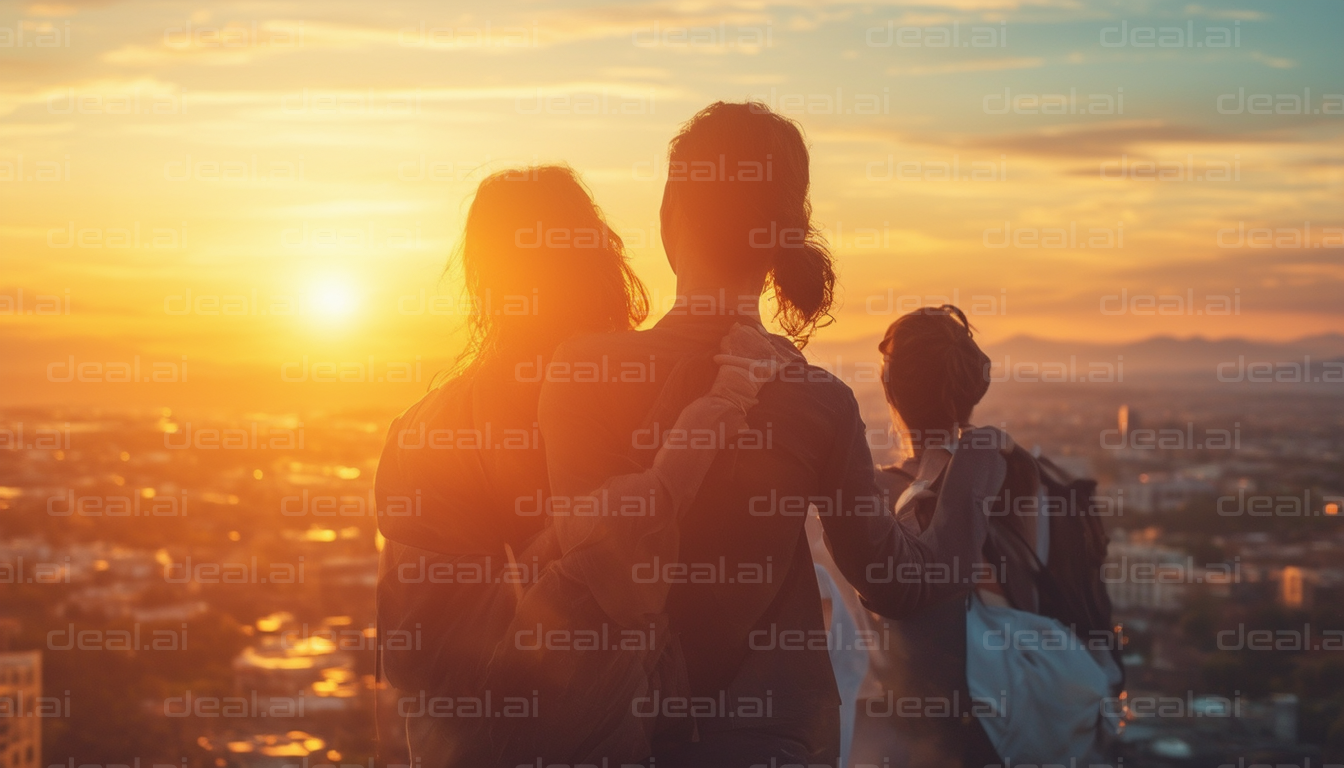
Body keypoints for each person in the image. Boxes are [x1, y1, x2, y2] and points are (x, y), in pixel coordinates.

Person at [535, 103, 987, 767]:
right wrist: (975, 465)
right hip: (765, 744)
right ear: (785, 239)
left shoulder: (580, 371)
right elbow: (895, 580)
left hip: (601, 736)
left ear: (668, 220)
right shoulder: (815, 400)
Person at [373, 164, 795, 767]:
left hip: (450, 740)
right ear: (595, 263)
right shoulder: (596, 400)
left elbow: (413, 641)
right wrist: (726, 397)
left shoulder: (422, 420)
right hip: (570, 728)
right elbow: (638, 566)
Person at [846, 304, 1122, 768]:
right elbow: (1025, 596)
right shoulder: (1019, 471)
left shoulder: (887, 494)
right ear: (975, 386)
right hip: (1025, 708)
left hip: (943, 726)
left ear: (890, 389)